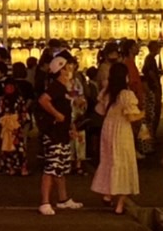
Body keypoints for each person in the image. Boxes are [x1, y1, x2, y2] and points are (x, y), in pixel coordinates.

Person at [90, 59, 143, 213]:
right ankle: (120, 205)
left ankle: (107, 194)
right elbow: (131, 117)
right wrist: (142, 114)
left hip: (108, 129)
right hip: (122, 131)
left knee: (109, 160)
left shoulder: (107, 91)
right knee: (125, 163)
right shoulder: (126, 94)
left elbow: (99, 111)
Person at [35, 51, 83, 215]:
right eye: (67, 67)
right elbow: (43, 100)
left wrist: (71, 128)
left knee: (61, 168)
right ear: (61, 70)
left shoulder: (64, 87)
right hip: (53, 133)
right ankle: (45, 202)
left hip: (62, 132)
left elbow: (68, 110)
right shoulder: (56, 86)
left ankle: (63, 199)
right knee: (51, 167)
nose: (70, 69)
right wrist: (57, 115)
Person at [0, 72, 31, 175]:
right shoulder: (1, 99)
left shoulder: (19, 99)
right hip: (5, 126)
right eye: (7, 86)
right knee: (6, 149)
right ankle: (10, 168)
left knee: (20, 149)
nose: (8, 88)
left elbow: (23, 112)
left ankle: (22, 168)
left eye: (10, 86)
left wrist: (19, 123)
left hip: (17, 126)